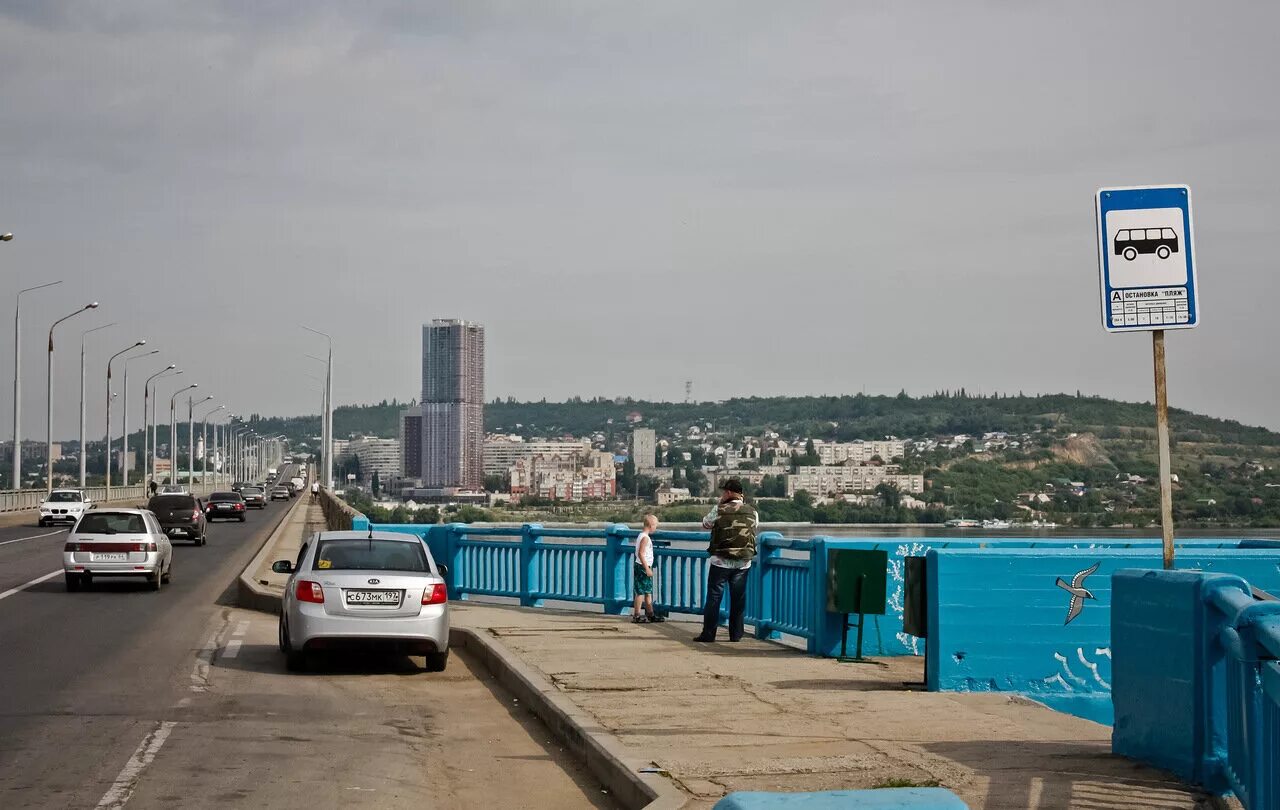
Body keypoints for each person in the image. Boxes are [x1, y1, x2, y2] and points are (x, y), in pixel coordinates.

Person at [694, 479, 758, 643]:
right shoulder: (752, 511)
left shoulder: (719, 509)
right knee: (738, 599)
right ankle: (736, 635)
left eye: (724, 492)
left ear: (729, 492)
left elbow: (706, 524)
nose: (722, 495)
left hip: (720, 561)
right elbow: (755, 526)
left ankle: (709, 634)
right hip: (743, 562)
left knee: (714, 598)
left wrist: (720, 504)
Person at [631, 514, 664, 624]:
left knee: (648, 591)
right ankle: (636, 615)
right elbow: (641, 553)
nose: (655, 528)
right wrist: (647, 568)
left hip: (643, 566)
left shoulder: (642, 536)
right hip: (642, 566)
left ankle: (650, 614)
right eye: (655, 525)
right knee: (640, 592)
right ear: (651, 525)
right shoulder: (645, 538)